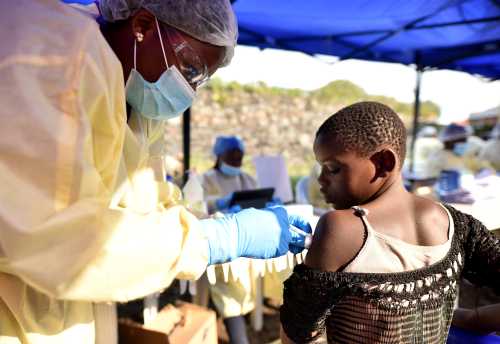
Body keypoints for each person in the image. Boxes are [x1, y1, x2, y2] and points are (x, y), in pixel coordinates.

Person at [0, 1, 311, 343]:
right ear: (143, 26)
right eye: (191, 69)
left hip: (66, 305)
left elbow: (147, 200)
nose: (190, 90)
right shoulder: (51, 53)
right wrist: (214, 240)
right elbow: (58, 240)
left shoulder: (137, 93)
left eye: (202, 80)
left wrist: (206, 224)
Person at [280, 101, 500, 343]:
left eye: (333, 168)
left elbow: (297, 333)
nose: (321, 179)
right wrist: (471, 319)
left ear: (384, 162)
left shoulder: (341, 228)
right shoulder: (452, 222)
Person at [201, 135, 257, 344]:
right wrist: (221, 204)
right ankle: (238, 335)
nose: (236, 161)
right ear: (218, 155)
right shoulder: (205, 179)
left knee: (248, 281)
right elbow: (198, 204)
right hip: (220, 240)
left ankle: (246, 318)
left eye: (239, 157)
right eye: (231, 156)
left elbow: (259, 198)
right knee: (229, 286)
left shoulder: (247, 179)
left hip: (249, 238)